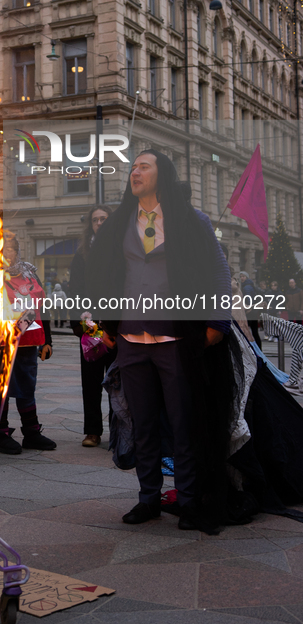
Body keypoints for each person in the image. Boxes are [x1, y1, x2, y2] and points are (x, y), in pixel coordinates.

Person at [87, 149, 232, 533]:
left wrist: (217, 322)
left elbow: (219, 271)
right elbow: (98, 273)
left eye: (143, 166)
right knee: (143, 423)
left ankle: (187, 500)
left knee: (184, 424)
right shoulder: (119, 224)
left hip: (177, 338)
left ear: (161, 174)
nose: (135, 171)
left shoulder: (191, 221)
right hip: (131, 338)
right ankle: (148, 498)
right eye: (132, 167)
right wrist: (103, 322)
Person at [0, 231, 56, 455]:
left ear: (17, 251)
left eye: (11, 248)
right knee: (0, 389)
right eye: (3, 248)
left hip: (29, 341)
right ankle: (0, 434)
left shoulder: (29, 272)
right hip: (2, 344)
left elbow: (43, 306)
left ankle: (31, 432)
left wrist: (47, 340)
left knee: (27, 387)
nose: (7, 252)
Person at [69, 204, 114, 447]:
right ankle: (92, 431)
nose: (99, 223)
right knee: (92, 382)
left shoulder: (122, 251)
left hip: (116, 327)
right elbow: (74, 291)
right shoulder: (82, 255)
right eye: (96, 220)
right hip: (91, 327)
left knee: (118, 382)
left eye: (104, 219)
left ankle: (120, 431)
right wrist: (84, 322)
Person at [239, 271, 262, 347]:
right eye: (241, 276)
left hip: (249, 312)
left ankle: (251, 349)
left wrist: (247, 308)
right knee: (255, 332)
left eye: (243, 276)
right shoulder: (250, 285)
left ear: (246, 277)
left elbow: (248, 299)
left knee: (245, 331)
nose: (242, 278)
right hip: (254, 311)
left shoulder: (246, 287)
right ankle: (259, 348)